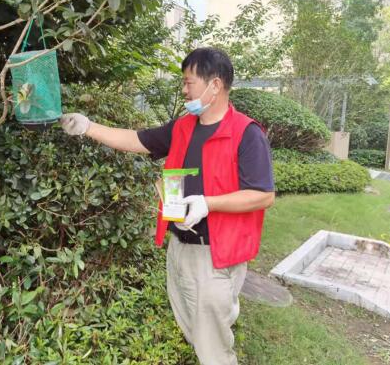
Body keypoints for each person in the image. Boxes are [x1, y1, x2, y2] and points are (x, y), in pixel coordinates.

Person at [60, 47, 275, 365]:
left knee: (213, 345)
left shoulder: (246, 133)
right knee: (194, 329)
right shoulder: (184, 126)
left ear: (215, 85)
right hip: (180, 246)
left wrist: (208, 203)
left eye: (189, 82)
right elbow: (137, 140)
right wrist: (88, 127)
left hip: (216, 253)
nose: (184, 89)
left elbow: (262, 195)